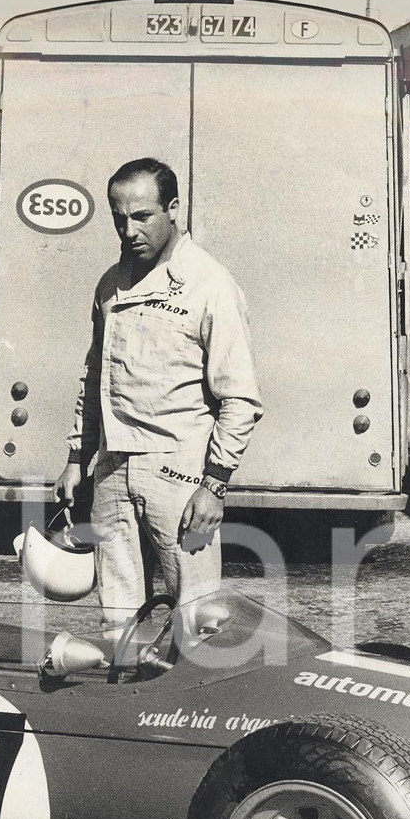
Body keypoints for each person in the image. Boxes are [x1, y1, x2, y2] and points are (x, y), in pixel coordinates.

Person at [54, 158, 262, 640]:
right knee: (117, 616)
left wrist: (214, 485)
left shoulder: (210, 285)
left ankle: (195, 709)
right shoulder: (111, 285)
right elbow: (95, 378)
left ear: (173, 209)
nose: (129, 231)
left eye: (142, 216)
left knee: (196, 617)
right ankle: (123, 700)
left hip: (180, 472)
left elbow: (241, 399)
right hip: (111, 467)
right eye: (118, 218)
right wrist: (74, 458)